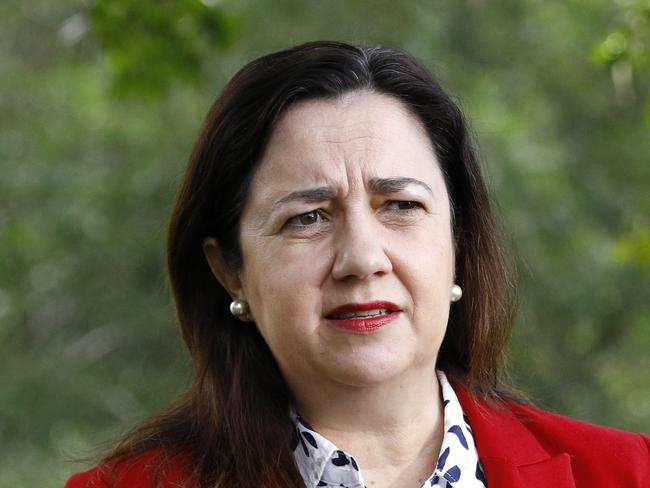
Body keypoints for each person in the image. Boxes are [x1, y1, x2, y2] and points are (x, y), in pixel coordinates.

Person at [65, 41, 650, 488]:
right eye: (307, 218)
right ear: (230, 271)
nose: (363, 259)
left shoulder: (628, 472)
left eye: (400, 206)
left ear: (458, 240)